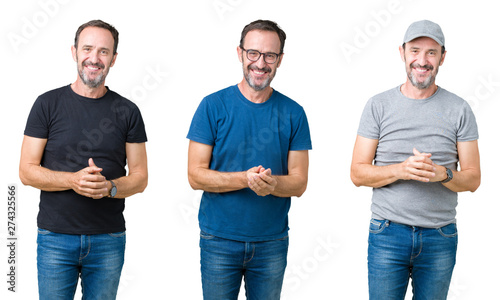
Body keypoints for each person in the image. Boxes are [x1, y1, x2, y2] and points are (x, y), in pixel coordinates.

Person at [350, 20, 480, 299]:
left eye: (431, 53)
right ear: (402, 53)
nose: (422, 61)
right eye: (415, 51)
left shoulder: (460, 109)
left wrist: (442, 174)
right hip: (386, 233)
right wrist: (402, 169)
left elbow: (473, 179)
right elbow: (357, 174)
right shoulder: (378, 105)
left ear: (442, 57)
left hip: (440, 237)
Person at [19, 20, 148, 299]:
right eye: (87, 49)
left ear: (113, 59)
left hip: (108, 240)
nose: (94, 58)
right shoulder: (47, 104)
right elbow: (27, 171)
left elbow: (140, 178)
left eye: (104, 52)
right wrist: (72, 181)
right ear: (74, 52)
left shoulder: (128, 111)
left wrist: (109, 187)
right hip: (55, 238)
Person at [187, 19, 312, 299]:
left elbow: (299, 182)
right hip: (218, 240)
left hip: (271, 242)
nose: (260, 63)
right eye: (253, 53)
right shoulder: (212, 106)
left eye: (270, 55)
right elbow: (195, 176)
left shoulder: (294, 113)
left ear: (280, 60)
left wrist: (271, 185)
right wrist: (245, 179)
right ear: (240, 53)